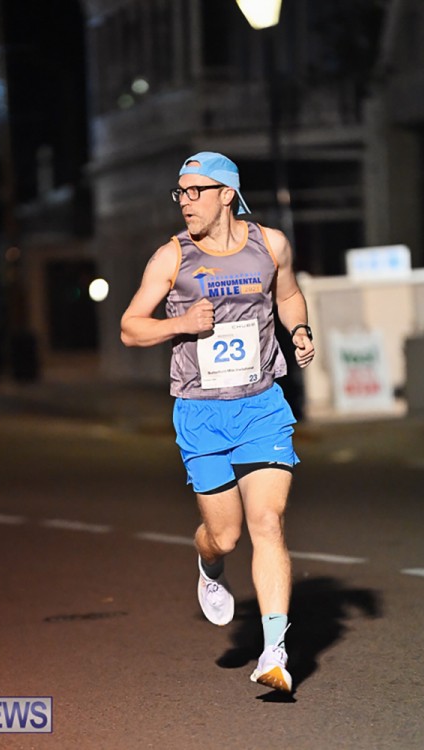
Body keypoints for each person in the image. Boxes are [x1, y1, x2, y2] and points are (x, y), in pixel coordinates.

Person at [120, 152, 315, 693]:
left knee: (267, 522)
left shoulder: (270, 244)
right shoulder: (172, 257)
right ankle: (208, 566)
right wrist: (179, 323)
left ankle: (274, 652)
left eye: (195, 191)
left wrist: (299, 331)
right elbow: (131, 328)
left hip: (261, 405)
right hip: (201, 412)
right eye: (180, 193)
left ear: (227, 194)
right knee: (225, 536)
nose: (185, 202)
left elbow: (289, 295)